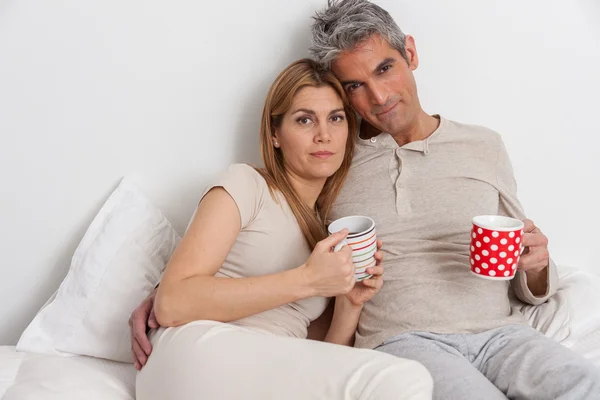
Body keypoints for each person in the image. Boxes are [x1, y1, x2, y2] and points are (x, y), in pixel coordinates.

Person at [307, 1, 600, 399]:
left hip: (502, 336)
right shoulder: (335, 163)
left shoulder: (483, 145)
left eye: (384, 68)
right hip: (403, 341)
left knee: (586, 383)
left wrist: (536, 266)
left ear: (410, 53)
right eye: (355, 86)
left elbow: (524, 273)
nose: (378, 96)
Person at [134, 58, 433, 400]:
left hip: (262, 370)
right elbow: (171, 303)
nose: (324, 135)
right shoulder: (246, 185)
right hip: (196, 351)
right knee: (404, 379)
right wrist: (307, 280)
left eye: (335, 118)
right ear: (275, 134)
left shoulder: (326, 233)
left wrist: (349, 302)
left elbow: (320, 362)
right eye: (305, 120)